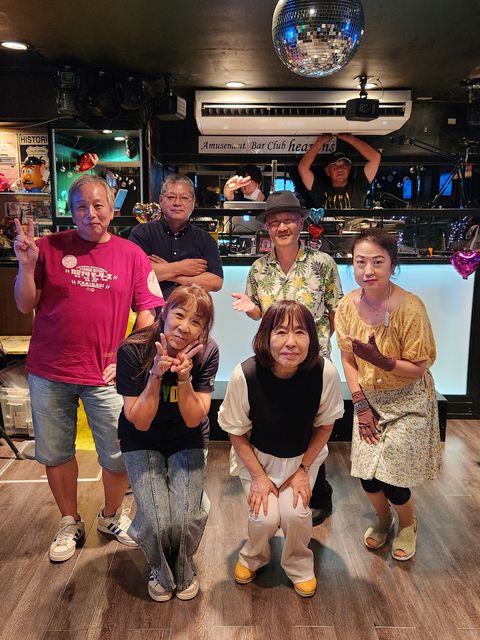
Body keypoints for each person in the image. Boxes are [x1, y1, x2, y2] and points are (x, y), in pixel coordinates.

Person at [13, 174, 163, 563]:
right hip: (49, 370)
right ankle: (69, 521)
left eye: (98, 205)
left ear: (112, 209)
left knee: (118, 453)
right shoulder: (47, 247)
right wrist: (26, 266)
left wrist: (128, 359)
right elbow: (24, 304)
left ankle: (111, 516)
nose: (90, 213)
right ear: (71, 210)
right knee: (55, 451)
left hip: (107, 375)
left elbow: (148, 313)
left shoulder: (132, 254)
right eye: (82, 206)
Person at [231, 190, 343, 526]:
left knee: (315, 425)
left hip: (313, 361)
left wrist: (326, 346)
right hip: (274, 362)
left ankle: (317, 492)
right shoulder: (258, 269)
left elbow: (336, 310)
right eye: (275, 221)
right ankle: (274, 484)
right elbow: (259, 313)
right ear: (267, 227)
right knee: (281, 424)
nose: (282, 227)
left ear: (301, 223)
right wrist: (252, 310)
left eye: (289, 220)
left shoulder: (322, 264)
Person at [218, 301, 344, 596]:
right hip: (257, 459)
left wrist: (303, 469)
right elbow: (236, 432)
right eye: (281, 332)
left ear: (311, 338)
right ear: (266, 336)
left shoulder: (325, 372)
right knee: (264, 518)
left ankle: (299, 564)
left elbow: (325, 426)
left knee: (295, 515)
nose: (291, 342)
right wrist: (259, 477)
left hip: (302, 459)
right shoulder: (245, 374)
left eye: (300, 332)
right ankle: (253, 556)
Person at [334, 228, 441, 561]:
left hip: (408, 399)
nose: (368, 270)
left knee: (392, 477)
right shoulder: (346, 306)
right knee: (367, 476)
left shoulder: (410, 308)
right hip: (369, 400)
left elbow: (419, 368)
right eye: (360, 262)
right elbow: (348, 358)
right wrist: (360, 404)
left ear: (393, 265)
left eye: (378, 262)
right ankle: (383, 519)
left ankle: (407, 524)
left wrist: (384, 361)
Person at [115, 285, 219, 601]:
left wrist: (185, 379)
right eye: (179, 315)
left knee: (184, 520)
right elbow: (140, 421)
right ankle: (164, 571)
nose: (185, 327)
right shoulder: (134, 349)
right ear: (164, 313)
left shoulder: (207, 352)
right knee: (159, 522)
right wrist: (155, 376)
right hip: (141, 439)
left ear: (203, 330)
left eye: (196, 322)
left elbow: (193, 419)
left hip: (187, 437)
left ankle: (181, 567)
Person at [129, 174, 223, 299]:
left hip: (190, 310)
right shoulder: (142, 233)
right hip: (151, 310)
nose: (177, 203)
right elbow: (134, 273)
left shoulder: (205, 239)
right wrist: (182, 267)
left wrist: (169, 273)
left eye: (184, 198)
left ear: (193, 203)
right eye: (171, 197)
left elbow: (215, 282)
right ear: (161, 201)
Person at [298, 133, 381, 209]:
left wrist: (351, 140)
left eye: (344, 165)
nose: (340, 169)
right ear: (327, 171)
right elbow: (303, 168)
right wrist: (319, 143)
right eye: (335, 165)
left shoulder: (358, 187)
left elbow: (375, 157)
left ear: (349, 169)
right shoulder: (320, 189)